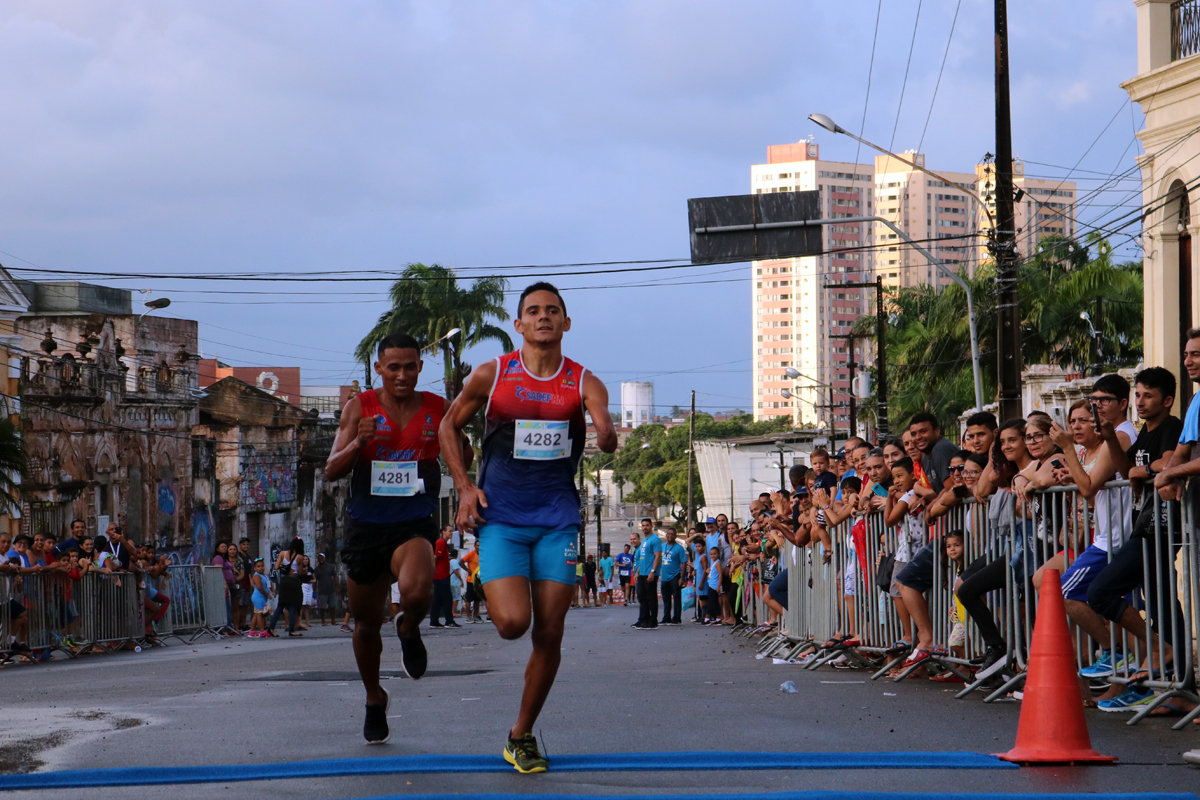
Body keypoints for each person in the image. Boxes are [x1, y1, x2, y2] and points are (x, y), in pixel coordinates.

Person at [439, 281, 617, 773]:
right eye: (533, 311)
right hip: (502, 518)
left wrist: (605, 433)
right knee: (513, 624)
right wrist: (465, 486)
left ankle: (521, 736)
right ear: (519, 324)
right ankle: (496, 579)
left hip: (558, 520)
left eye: (552, 311)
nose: (543, 318)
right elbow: (447, 426)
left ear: (565, 322)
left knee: (551, 632)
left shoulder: (584, 382)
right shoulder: (493, 376)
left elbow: (605, 430)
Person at [325, 332, 470, 745]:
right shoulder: (360, 407)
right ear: (379, 369)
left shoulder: (436, 408)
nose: (402, 375)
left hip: (412, 521)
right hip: (366, 526)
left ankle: (409, 627)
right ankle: (374, 697)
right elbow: (333, 469)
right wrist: (359, 441)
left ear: (420, 368)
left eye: (410, 366)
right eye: (394, 367)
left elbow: (462, 453)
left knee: (418, 588)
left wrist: (459, 435)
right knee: (367, 625)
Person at [909, 411, 960, 494]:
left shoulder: (941, 449)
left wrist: (934, 506)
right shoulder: (925, 458)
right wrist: (924, 499)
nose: (918, 437)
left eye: (923, 431)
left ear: (937, 431)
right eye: (913, 434)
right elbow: (939, 493)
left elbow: (952, 491)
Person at [632, 519, 662, 630]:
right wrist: (638, 572)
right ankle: (643, 619)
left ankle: (653, 621)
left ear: (652, 526)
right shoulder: (644, 541)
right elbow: (642, 558)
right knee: (642, 597)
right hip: (642, 573)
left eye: (647, 525)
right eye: (643, 526)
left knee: (651, 598)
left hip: (650, 573)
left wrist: (653, 572)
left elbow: (658, 556)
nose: (645, 527)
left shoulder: (655, 540)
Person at [429, 527, 458, 628]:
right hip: (441, 576)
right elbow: (435, 557)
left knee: (438, 600)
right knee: (447, 598)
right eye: (449, 531)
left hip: (441, 575)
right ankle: (449, 621)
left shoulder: (443, 543)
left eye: (452, 531)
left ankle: (434, 621)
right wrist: (432, 570)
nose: (451, 533)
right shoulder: (441, 542)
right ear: (443, 532)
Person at [658, 527, 687, 625]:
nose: (670, 536)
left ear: (676, 536)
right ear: (666, 535)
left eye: (672, 534)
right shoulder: (662, 546)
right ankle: (666, 617)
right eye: (669, 534)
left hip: (675, 576)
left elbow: (684, 563)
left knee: (676, 598)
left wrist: (682, 578)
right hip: (664, 577)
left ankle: (676, 618)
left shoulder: (679, 548)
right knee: (666, 599)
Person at [249, 559, 272, 637]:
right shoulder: (256, 576)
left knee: (256, 615)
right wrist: (267, 594)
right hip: (258, 597)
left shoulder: (265, 575)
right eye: (258, 566)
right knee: (260, 615)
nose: (261, 568)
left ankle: (252, 631)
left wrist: (273, 590)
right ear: (255, 568)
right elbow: (259, 587)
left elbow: (269, 584)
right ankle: (262, 631)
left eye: (262, 566)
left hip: (262, 598)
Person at [313, 553, 338, 626]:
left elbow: (335, 576)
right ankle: (323, 621)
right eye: (319, 558)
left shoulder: (330, 567)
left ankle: (333, 620)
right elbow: (315, 580)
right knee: (322, 607)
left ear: (324, 558)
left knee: (332, 606)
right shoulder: (316, 569)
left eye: (322, 558)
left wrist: (337, 586)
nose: (320, 559)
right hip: (322, 590)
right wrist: (314, 590)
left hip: (331, 589)